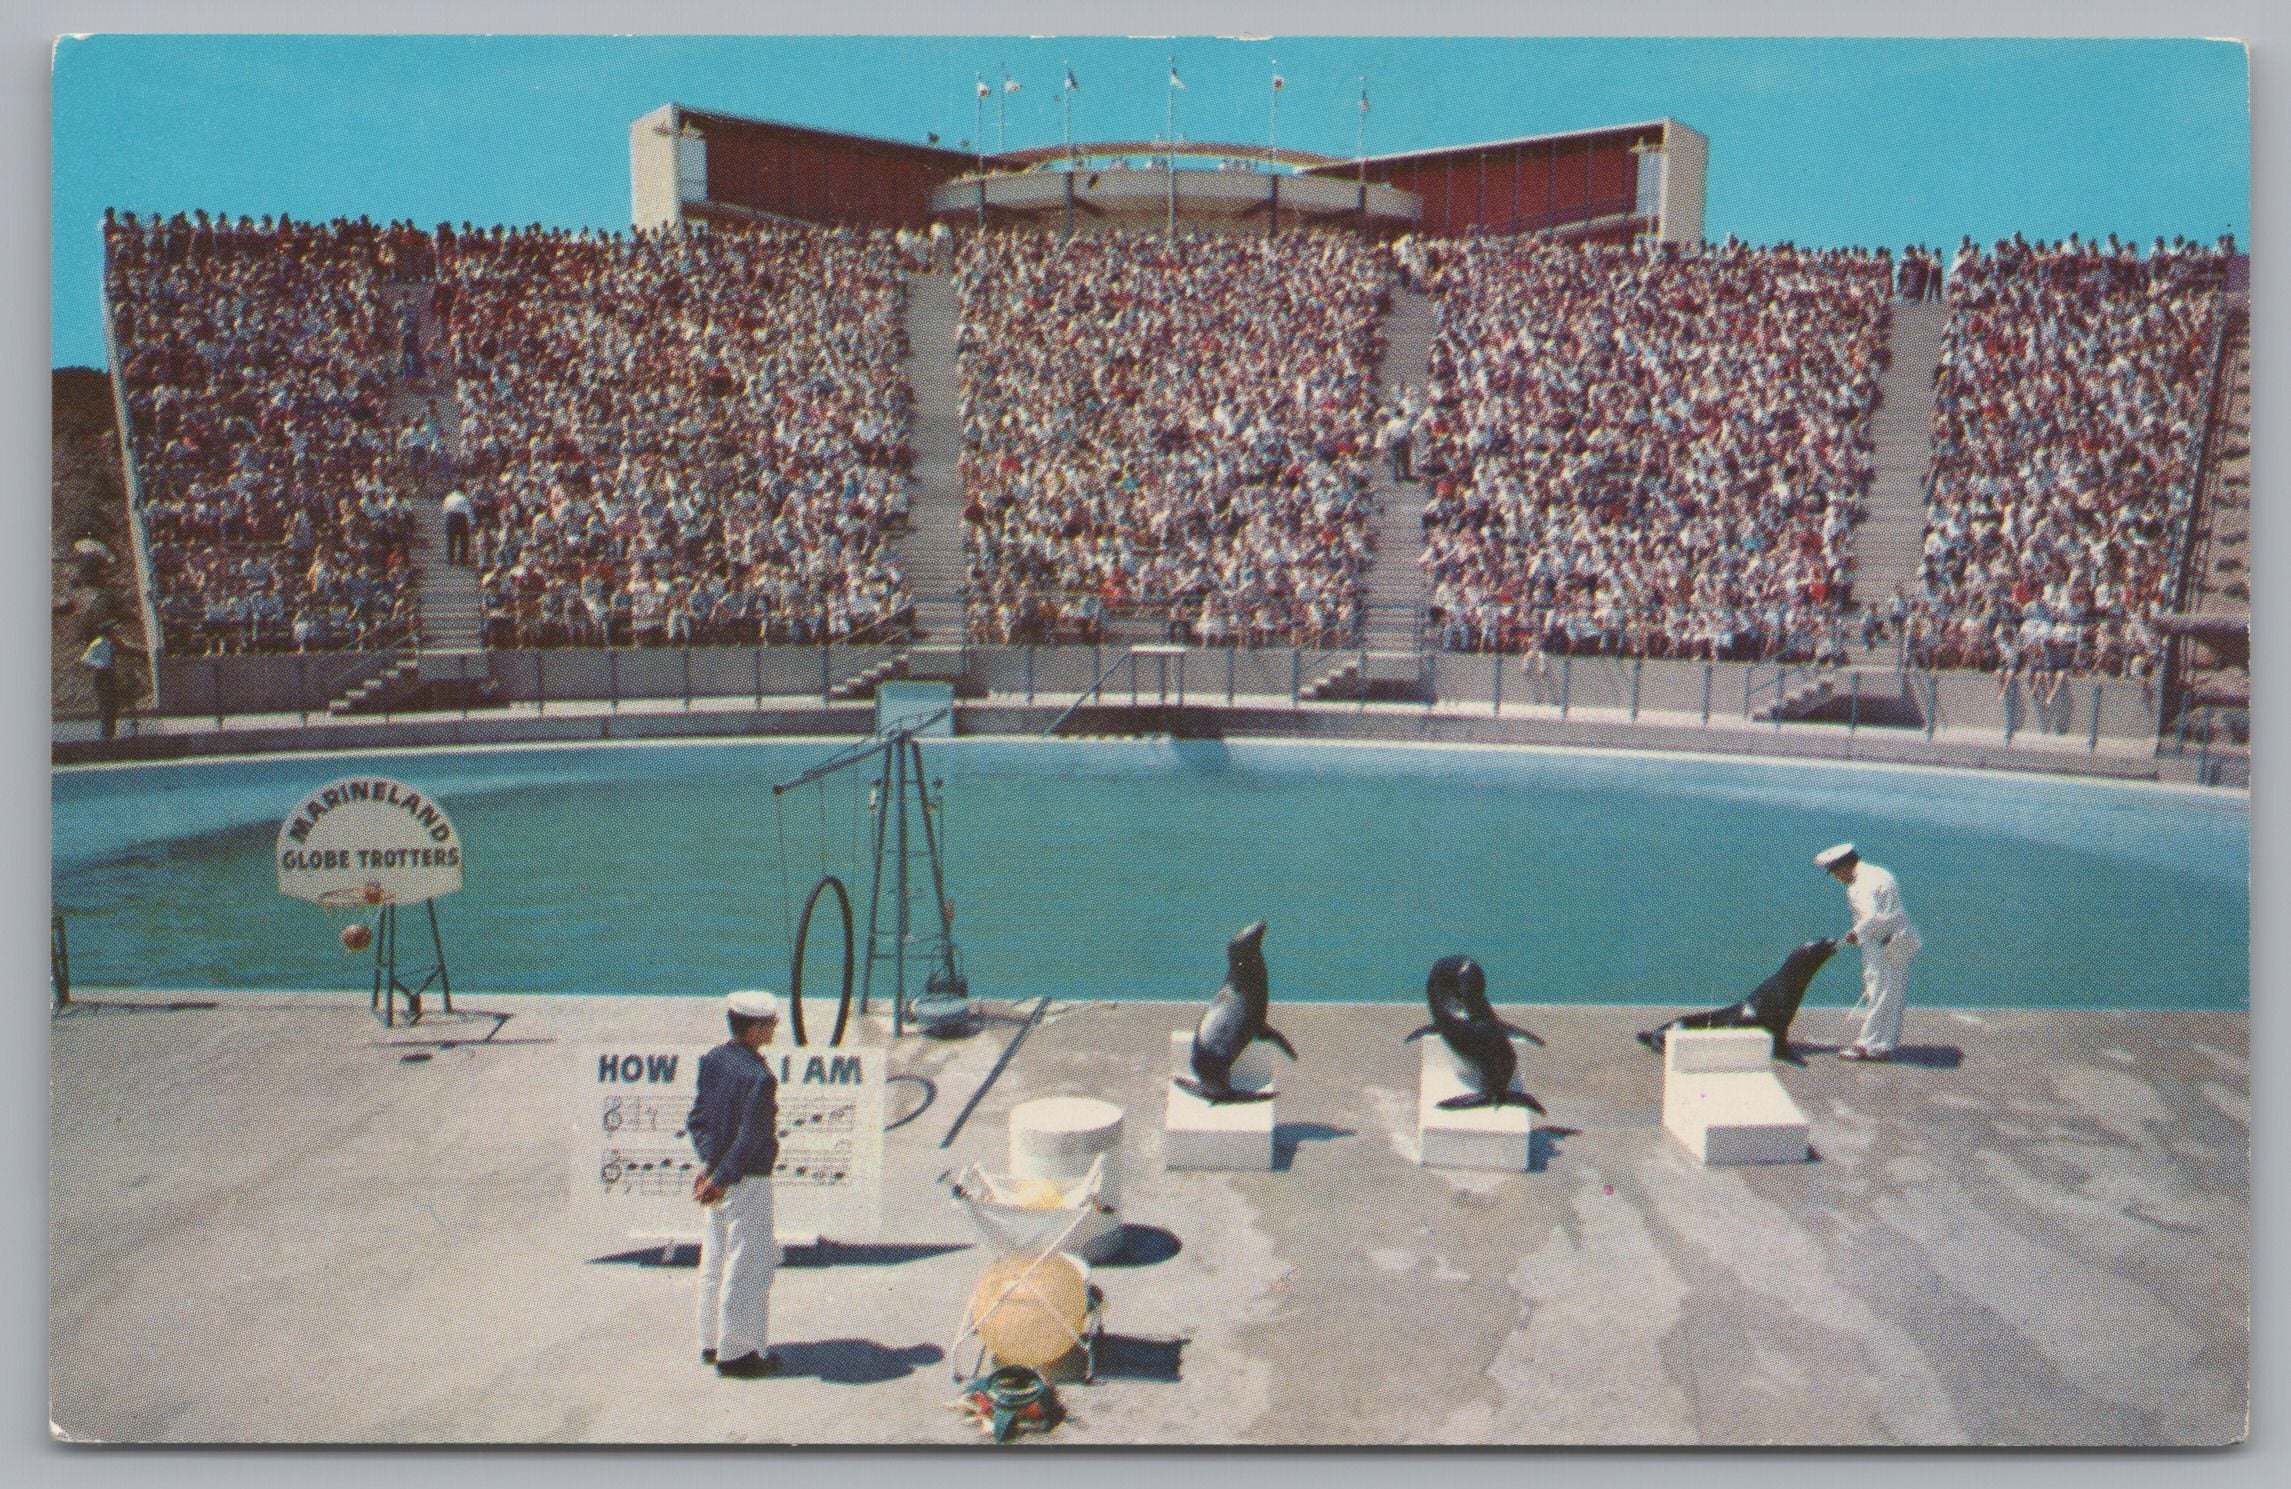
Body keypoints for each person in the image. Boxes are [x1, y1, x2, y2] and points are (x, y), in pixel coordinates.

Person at [686, 989, 784, 1378]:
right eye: (770, 1023)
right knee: (748, 1263)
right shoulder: (760, 1078)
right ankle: (739, 1354)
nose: (774, 1028)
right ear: (755, 1028)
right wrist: (723, 1178)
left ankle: (711, 1341)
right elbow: (752, 1136)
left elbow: (698, 1119)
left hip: (719, 1176)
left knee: (713, 1259)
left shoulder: (713, 1061)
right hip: (748, 1180)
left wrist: (711, 1167)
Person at [1815, 843, 1922, 1061]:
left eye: (1835, 872)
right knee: (1893, 995)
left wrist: (1855, 933)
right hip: (1900, 940)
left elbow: (1871, 917)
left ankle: (1867, 1045)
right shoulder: (1879, 873)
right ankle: (1883, 1045)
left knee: (1878, 993)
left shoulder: (1858, 887)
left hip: (1882, 946)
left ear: (1844, 866)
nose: (1836, 877)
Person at [79, 625, 124, 741]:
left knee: (113, 704)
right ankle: (106, 734)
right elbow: (85, 658)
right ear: (108, 632)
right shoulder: (98, 642)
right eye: (113, 632)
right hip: (102, 674)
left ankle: (111, 732)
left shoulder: (110, 643)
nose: (115, 634)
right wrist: (99, 664)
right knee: (107, 704)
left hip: (110, 674)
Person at [440, 488, 474, 566]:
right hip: (461, 519)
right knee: (464, 540)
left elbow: (444, 510)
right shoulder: (464, 498)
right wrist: (473, 522)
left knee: (450, 540)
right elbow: (468, 511)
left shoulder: (449, 497)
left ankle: (450, 560)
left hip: (450, 518)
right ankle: (463, 561)